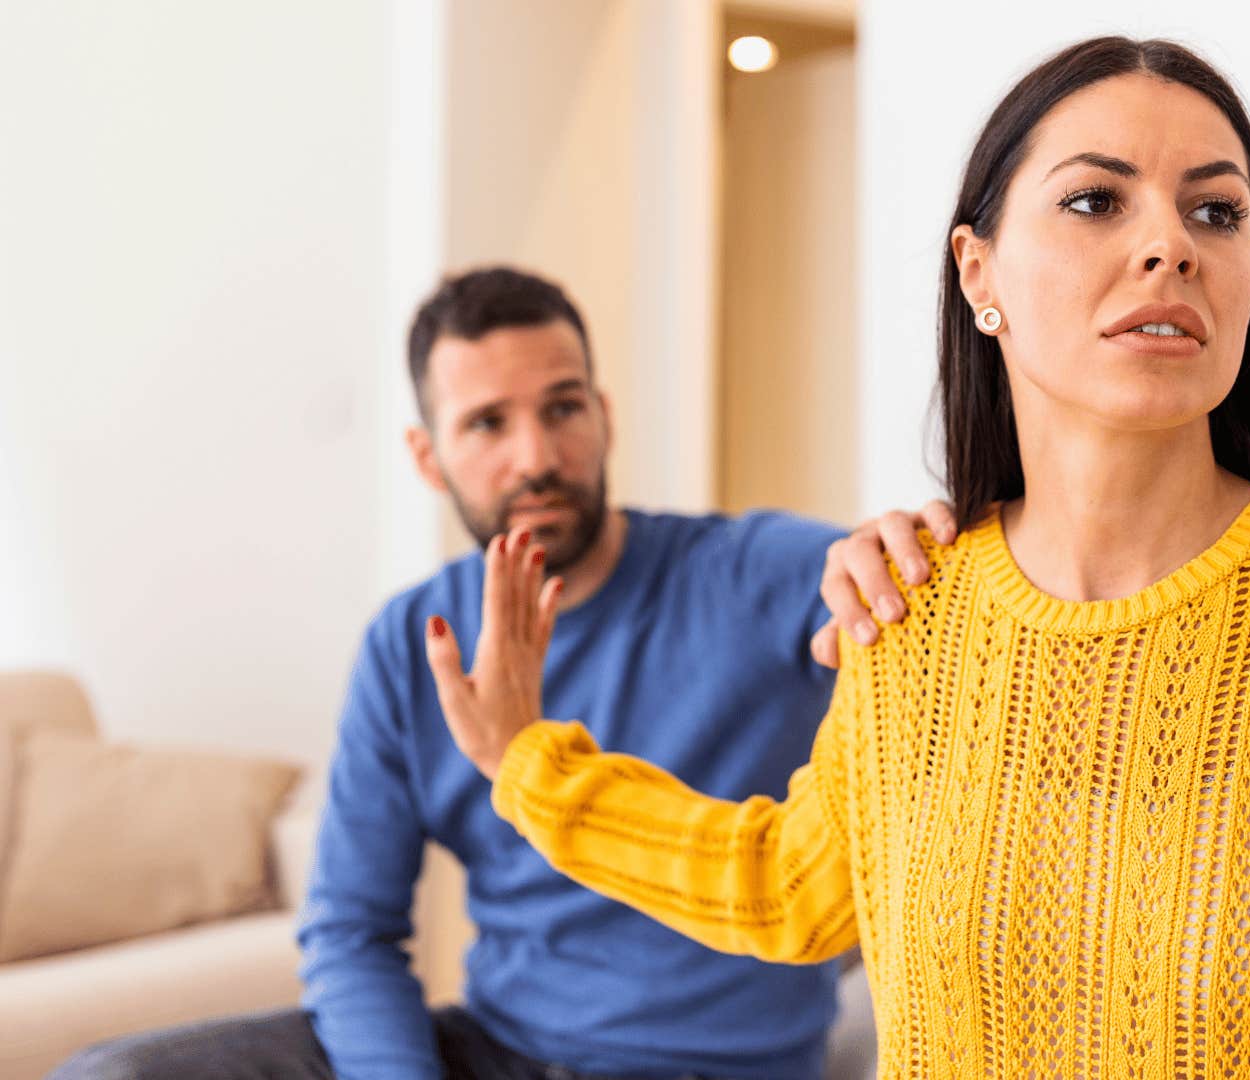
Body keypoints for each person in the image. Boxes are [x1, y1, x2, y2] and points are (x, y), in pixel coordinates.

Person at [431, 38, 1250, 1079]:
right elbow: (784, 885)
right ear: (979, 276)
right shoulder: (914, 613)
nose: (1169, 246)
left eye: (1217, 214)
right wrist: (528, 764)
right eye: (1095, 200)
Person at [51, 267, 950, 1080]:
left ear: (603, 414)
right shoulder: (413, 643)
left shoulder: (753, 571)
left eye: (562, 408)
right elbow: (352, 931)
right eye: (487, 423)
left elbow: (884, 592)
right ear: (426, 454)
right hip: (499, 1050)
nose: (535, 456)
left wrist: (898, 562)